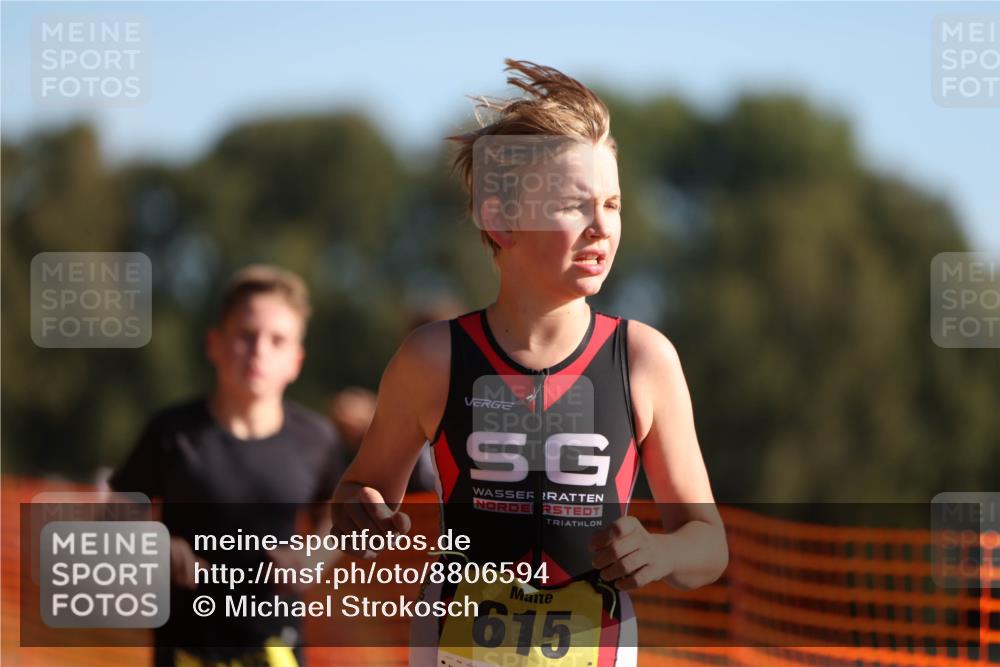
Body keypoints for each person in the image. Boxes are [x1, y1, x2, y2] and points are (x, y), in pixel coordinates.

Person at [330, 60, 728, 667]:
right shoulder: (433, 357)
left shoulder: (644, 359)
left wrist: (665, 553)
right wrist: (360, 517)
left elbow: (710, 547)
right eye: (575, 206)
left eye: (613, 203)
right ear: (500, 219)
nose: (602, 227)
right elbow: (358, 495)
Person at [109, 265, 344, 667]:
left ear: (296, 360)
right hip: (185, 650)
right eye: (246, 335)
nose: (259, 351)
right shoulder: (172, 433)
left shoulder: (316, 439)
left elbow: (338, 520)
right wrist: (155, 547)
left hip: (277, 648)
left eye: (277, 340)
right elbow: (115, 514)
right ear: (214, 344)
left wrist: (313, 559)